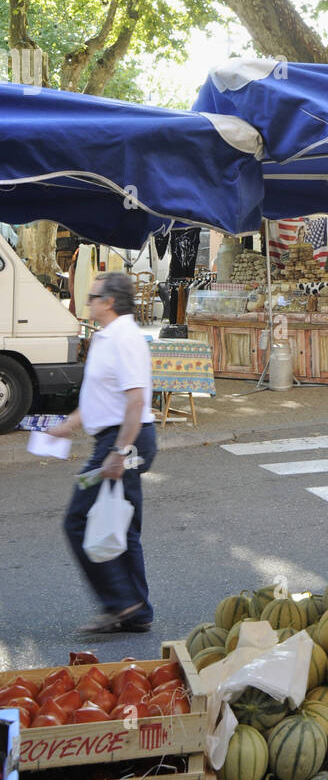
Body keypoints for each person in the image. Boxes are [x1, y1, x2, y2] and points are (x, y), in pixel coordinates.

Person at [52, 271, 157, 634]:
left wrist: (118, 452)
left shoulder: (124, 338)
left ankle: (120, 602)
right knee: (122, 525)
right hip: (119, 439)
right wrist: (70, 423)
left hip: (126, 440)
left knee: (77, 520)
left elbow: (136, 400)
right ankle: (136, 609)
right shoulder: (108, 336)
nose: (88, 302)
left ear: (109, 302)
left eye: (93, 296)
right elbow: (103, 396)